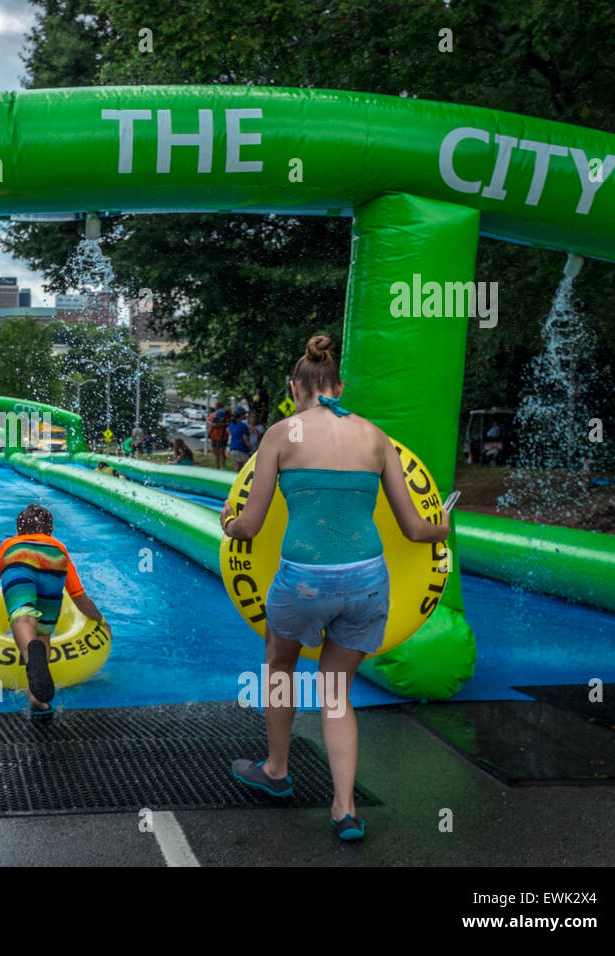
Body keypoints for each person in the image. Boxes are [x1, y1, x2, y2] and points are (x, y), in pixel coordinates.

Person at [220, 335, 449, 841]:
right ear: (339, 386)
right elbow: (415, 530)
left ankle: (276, 772)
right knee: (337, 692)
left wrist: (228, 523)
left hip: (303, 581)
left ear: (294, 388)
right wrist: (443, 528)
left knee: (280, 663)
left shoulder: (280, 435)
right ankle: (345, 808)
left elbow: (251, 526)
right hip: (367, 581)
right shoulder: (375, 437)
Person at [0, 504, 111, 718]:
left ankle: (30, 654)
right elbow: (79, 598)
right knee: (43, 632)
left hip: (18, 558)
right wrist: (101, 620)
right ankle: (37, 699)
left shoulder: (10, 545)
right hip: (54, 562)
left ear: (19, 531)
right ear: (50, 531)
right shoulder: (59, 547)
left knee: (23, 615)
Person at [206, 401, 229, 470]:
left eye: (216, 406)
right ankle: (217, 466)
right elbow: (208, 422)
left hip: (222, 437)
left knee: (221, 452)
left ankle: (222, 466)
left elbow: (227, 423)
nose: (215, 407)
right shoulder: (213, 414)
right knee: (216, 453)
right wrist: (212, 426)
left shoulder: (225, 414)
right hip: (214, 436)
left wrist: (215, 425)